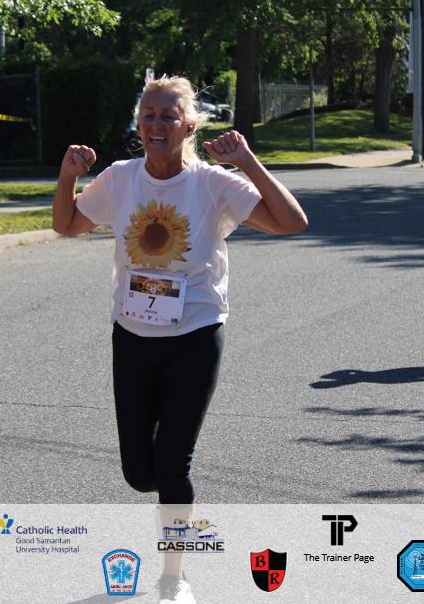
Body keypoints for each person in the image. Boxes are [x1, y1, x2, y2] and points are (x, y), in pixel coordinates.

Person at [52, 76, 308, 604]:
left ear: (189, 127)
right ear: (138, 125)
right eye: (148, 115)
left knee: (173, 464)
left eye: (168, 116)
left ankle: (174, 576)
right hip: (132, 334)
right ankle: (172, 499)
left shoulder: (212, 183)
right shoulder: (120, 178)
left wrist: (248, 162)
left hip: (196, 332)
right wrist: (68, 176)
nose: (156, 124)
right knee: (138, 473)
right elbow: (67, 225)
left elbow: (291, 221)